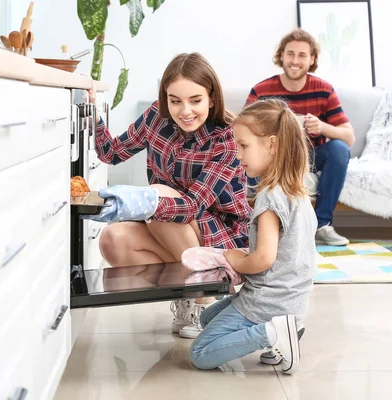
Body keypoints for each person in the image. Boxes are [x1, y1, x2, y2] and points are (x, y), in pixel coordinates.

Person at [86, 53, 251, 338]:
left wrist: (143, 203)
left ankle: (205, 297)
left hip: (220, 235)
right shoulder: (155, 117)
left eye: (195, 100)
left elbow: (191, 207)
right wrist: (93, 115)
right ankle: (187, 293)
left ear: (212, 98)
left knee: (158, 196)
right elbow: (111, 153)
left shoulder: (227, 138)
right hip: (170, 228)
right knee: (113, 240)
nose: (185, 111)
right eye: (175, 101)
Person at [190, 98, 317, 375]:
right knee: (208, 317)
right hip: (293, 300)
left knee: (200, 353)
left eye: (244, 145)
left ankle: (272, 333)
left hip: (267, 302)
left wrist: (235, 260)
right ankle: (285, 331)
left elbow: (263, 259)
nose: (238, 154)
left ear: (272, 145)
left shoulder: (270, 199)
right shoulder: (298, 193)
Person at [246, 28, 355, 246]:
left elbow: (349, 137)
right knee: (245, 157)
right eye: (290, 54)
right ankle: (256, 226)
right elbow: (243, 131)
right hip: (274, 158)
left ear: (312, 59)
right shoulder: (262, 90)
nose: (295, 60)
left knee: (340, 149)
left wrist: (323, 127)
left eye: (302, 55)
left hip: (311, 157)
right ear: (282, 56)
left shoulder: (324, 89)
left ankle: (322, 224)